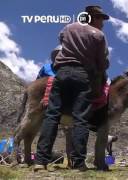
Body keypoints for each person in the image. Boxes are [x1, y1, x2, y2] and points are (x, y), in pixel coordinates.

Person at [34, 5, 110, 171]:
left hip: (61, 73)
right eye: (100, 19)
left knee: (52, 115)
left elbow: (61, 40)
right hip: (83, 76)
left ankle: (40, 161)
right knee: (80, 118)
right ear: (93, 17)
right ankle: (78, 163)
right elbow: (103, 63)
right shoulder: (98, 35)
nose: (102, 23)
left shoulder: (68, 27)